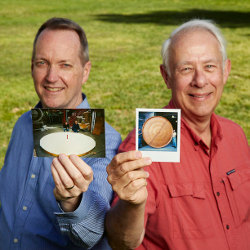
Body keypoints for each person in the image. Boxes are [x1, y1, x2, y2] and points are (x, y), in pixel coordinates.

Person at [105, 19, 250, 250]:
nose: (200, 81)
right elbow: (122, 242)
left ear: (226, 71)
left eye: (210, 67)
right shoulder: (147, 145)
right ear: (167, 76)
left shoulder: (236, 135)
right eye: (186, 69)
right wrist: (131, 204)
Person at [0, 17, 121, 249]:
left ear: (85, 72)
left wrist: (73, 202)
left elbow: (92, 235)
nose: (51, 77)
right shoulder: (23, 125)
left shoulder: (106, 140)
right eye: (42, 63)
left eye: (65, 65)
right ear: (31, 67)